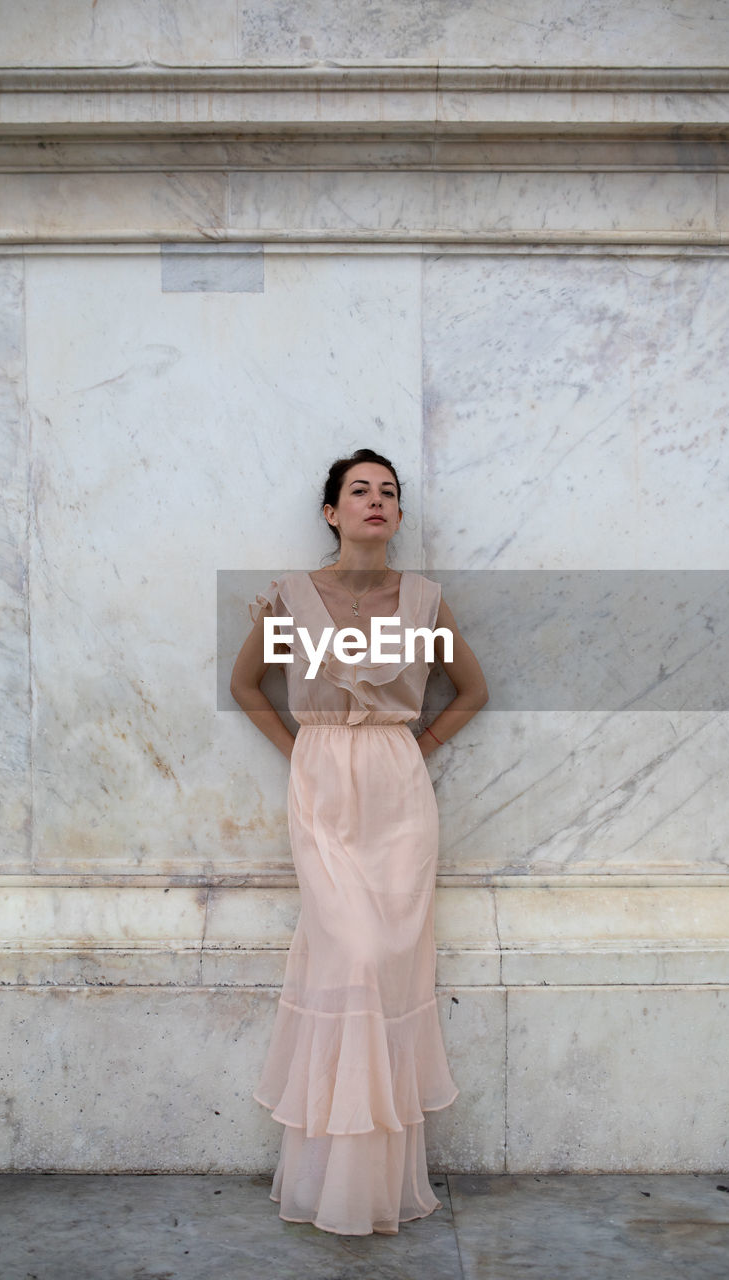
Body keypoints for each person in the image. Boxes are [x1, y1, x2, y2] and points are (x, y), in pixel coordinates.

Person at [230, 448, 489, 1235]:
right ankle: (326, 1178)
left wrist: (416, 746)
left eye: (388, 493)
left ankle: (368, 1182)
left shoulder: (424, 601)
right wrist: (303, 750)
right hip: (321, 786)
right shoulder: (287, 599)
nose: (374, 502)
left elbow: (473, 690)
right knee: (352, 954)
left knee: (387, 964)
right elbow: (246, 685)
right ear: (331, 512)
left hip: (397, 790)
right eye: (358, 491)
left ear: (399, 517)